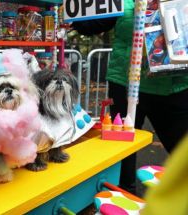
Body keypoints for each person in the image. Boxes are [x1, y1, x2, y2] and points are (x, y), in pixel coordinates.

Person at [72, 0, 188, 194]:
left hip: (174, 88)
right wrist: (71, 14)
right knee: (122, 148)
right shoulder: (122, 3)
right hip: (125, 86)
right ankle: (124, 193)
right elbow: (88, 24)